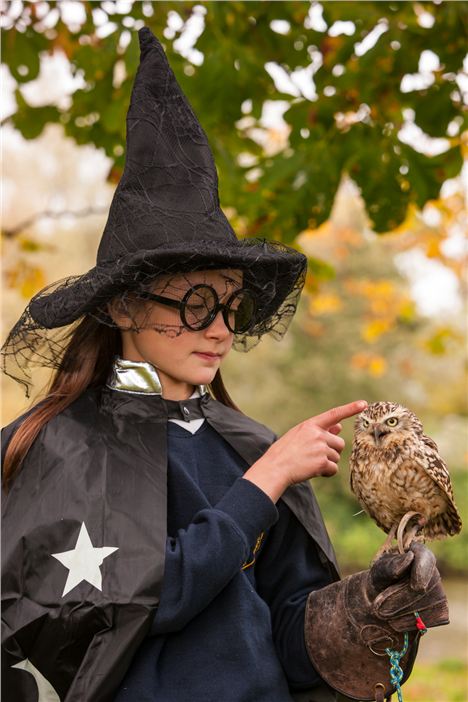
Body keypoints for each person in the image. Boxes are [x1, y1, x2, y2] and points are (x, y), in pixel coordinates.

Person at [2, 28, 447, 702]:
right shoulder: (58, 446)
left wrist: (372, 606)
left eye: (231, 307)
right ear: (122, 308)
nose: (218, 329)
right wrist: (260, 486)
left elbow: (290, 645)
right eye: (196, 304)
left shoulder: (251, 446)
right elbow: (137, 601)